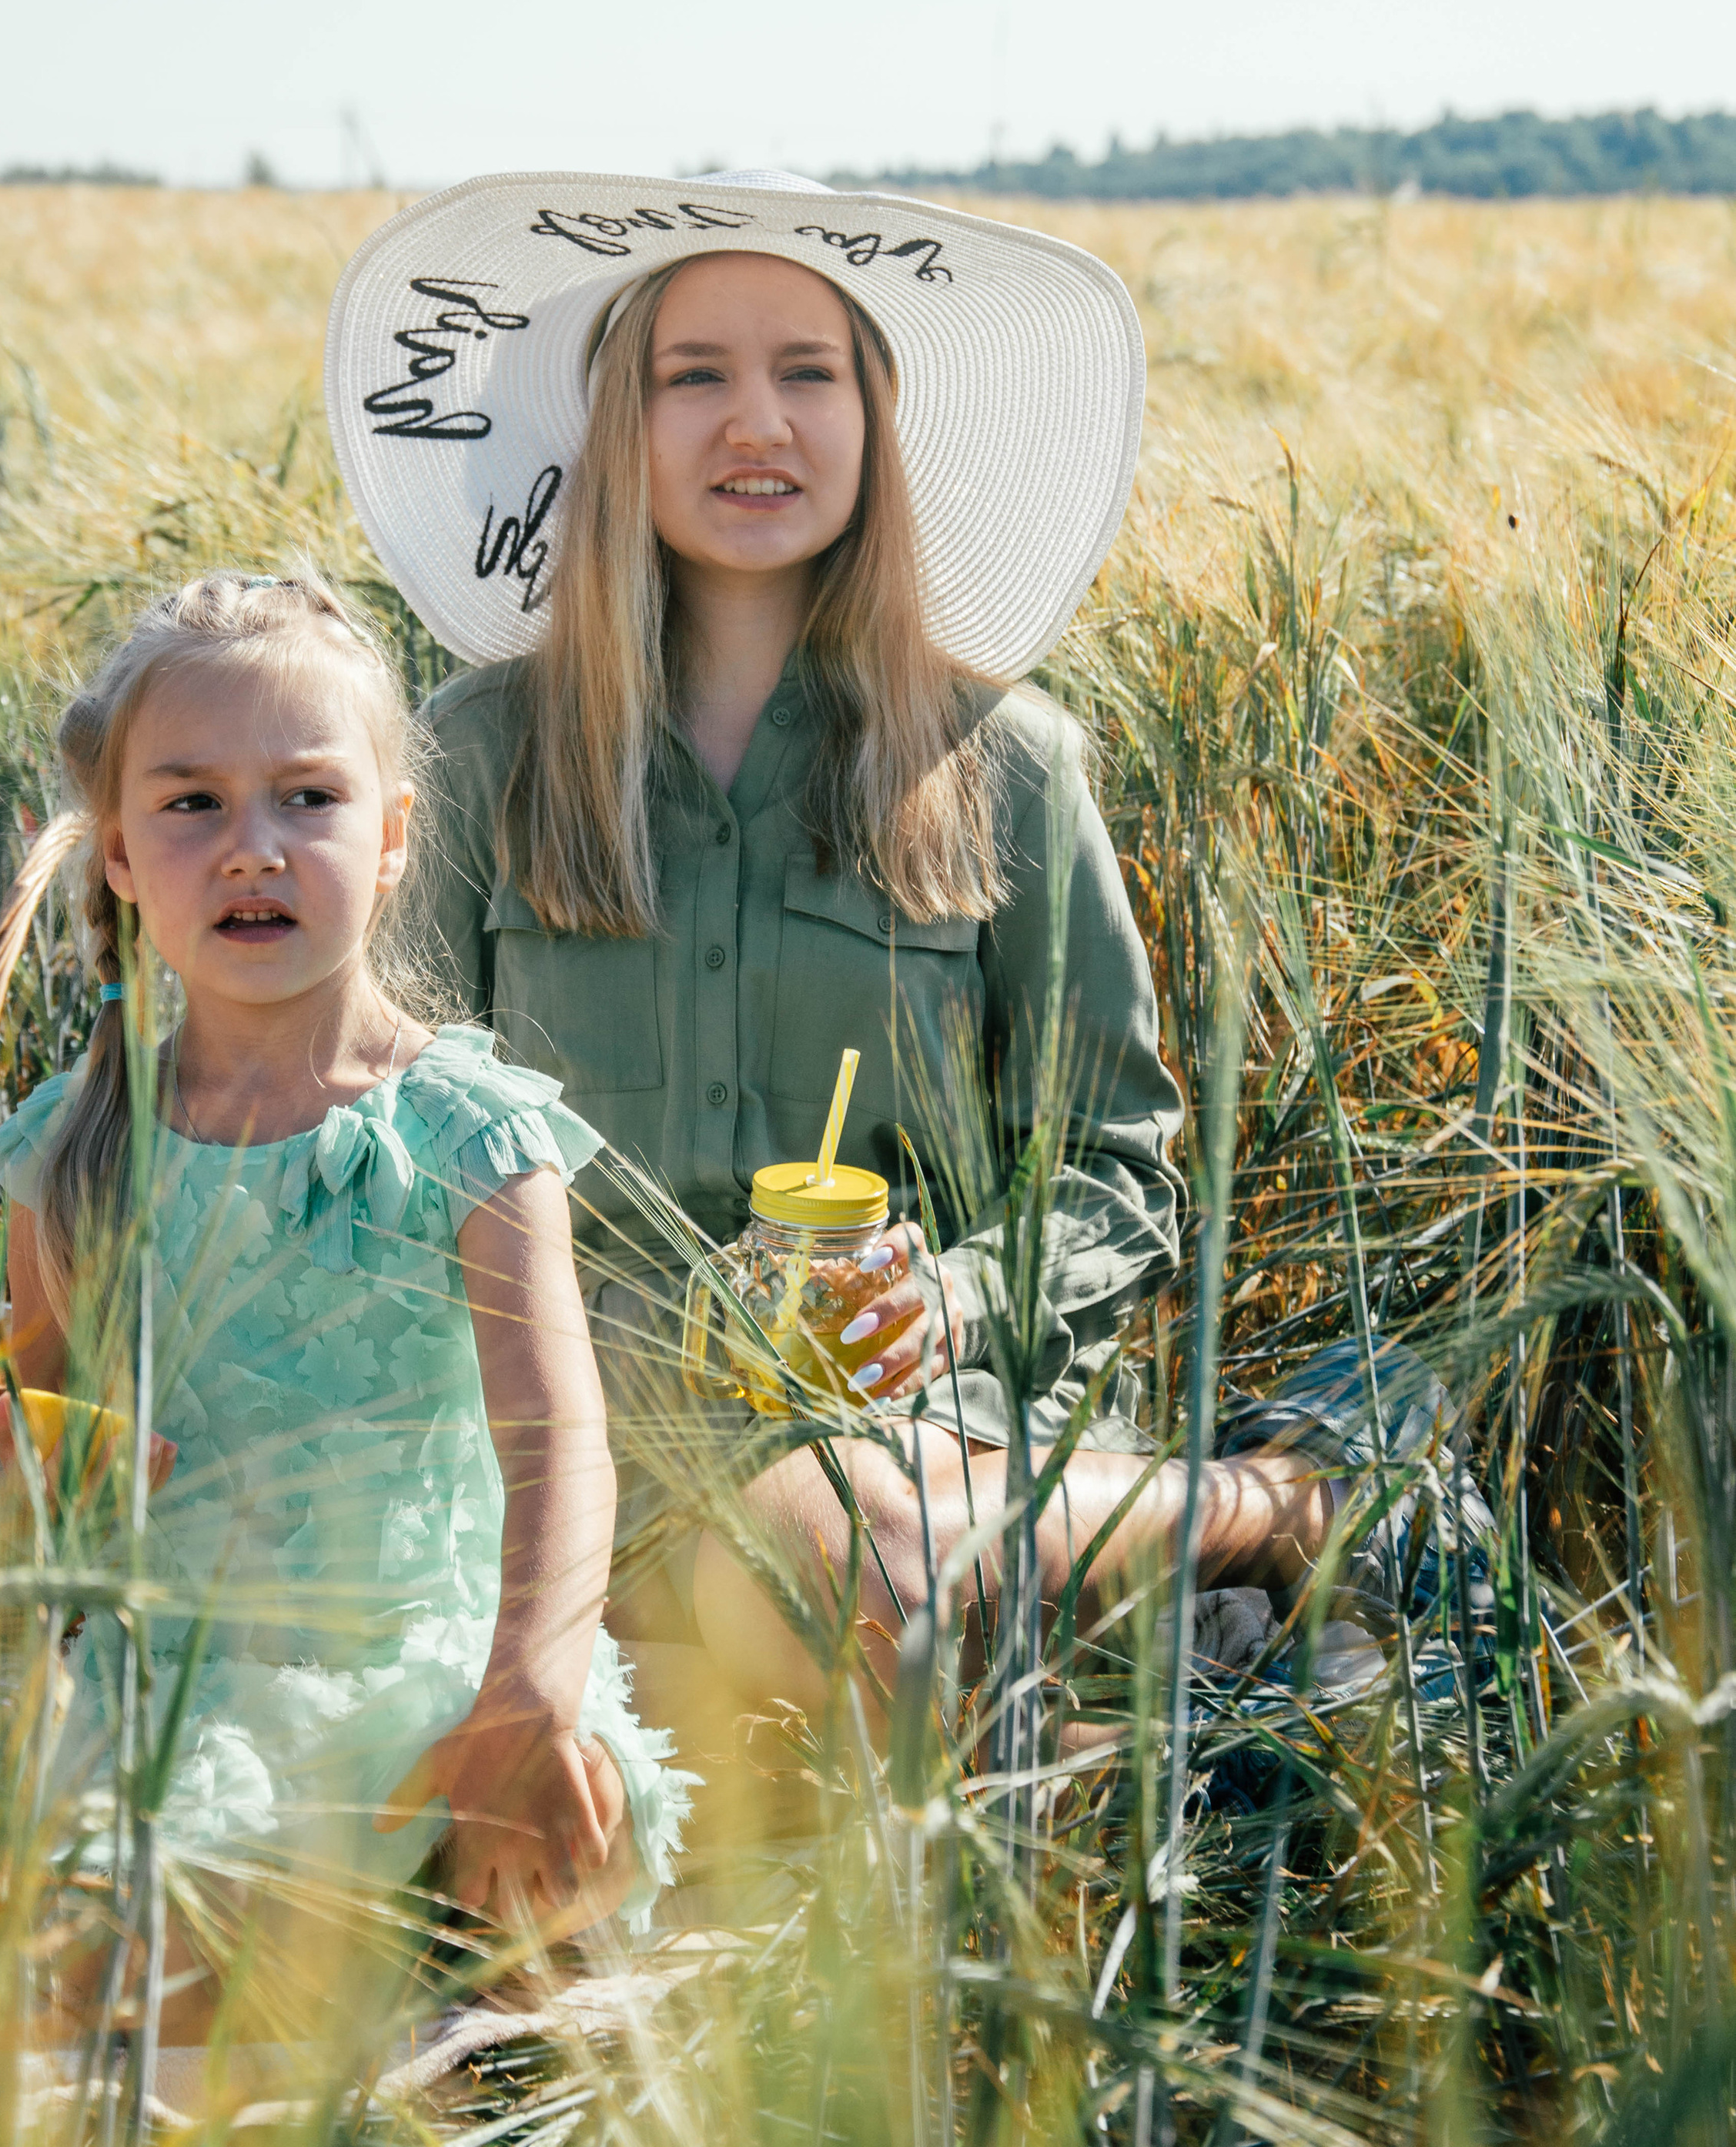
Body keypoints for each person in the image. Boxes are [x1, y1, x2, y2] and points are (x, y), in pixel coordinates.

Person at [322, 172, 1343, 1724]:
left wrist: (953, 1296)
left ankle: (1214, 1513)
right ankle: (1181, 1533)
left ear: (874, 420)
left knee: (851, 1565)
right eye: (694, 375)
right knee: (834, 1611)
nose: (757, 421)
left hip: (896, 1420)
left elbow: (1118, 1163)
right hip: (560, 1429)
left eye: (808, 371)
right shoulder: (472, 756)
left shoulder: (1008, 766)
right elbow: (377, 1138)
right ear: (618, 423)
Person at [0, 570, 687, 2034]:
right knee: (136, 1961)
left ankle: (456, 1993)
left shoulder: (469, 1131)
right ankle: (330, 1999)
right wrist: (47, 1478)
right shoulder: (75, 1150)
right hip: (193, 1692)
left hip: (448, 1673)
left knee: (549, 1855)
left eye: (308, 796)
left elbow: (559, 1440)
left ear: (395, 836)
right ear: (120, 853)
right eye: (192, 803)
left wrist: (531, 1690)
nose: (255, 846)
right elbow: (21, 1451)